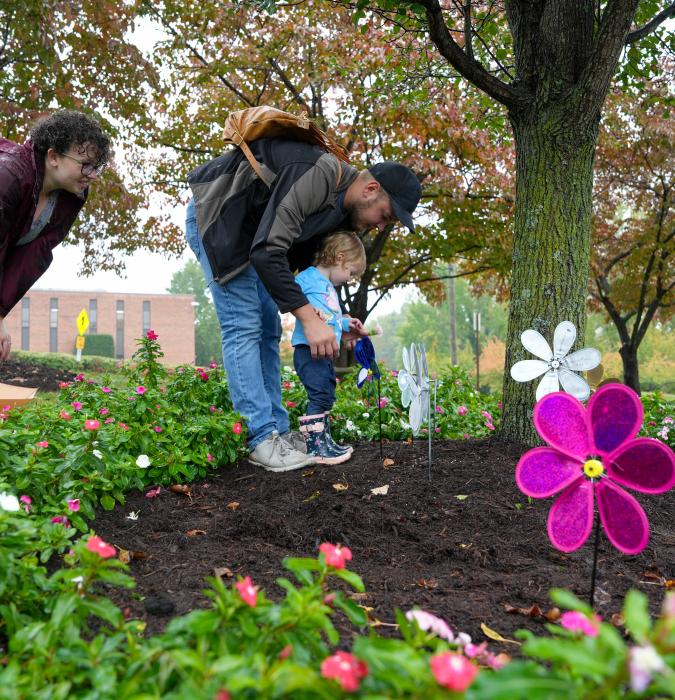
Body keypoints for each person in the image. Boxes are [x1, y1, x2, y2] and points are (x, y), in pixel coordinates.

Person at [186, 136, 421, 472]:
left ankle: (278, 432)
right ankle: (261, 437)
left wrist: (333, 324)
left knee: (268, 331)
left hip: (256, 240)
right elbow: (269, 250)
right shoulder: (320, 174)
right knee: (245, 326)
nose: (382, 225)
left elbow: (306, 276)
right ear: (370, 189)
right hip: (221, 219)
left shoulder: (339, 215)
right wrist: (310, 320)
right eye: (385, 214)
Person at [0, 110, 110, 361]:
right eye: (86, 165)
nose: (92, 175)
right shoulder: (8, 176)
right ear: (53, 156)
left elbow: (33, 256)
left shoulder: (70, 197)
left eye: (97, 167)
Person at [292, 232, 367, 465]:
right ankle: (315, 448)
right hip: (308, 350)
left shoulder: (328, 288)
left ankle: (322, 440)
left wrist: (347, 323)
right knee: (320, 395)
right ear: (339, 257)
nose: (350, 279)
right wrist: (309, 312)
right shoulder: (307, 278)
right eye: (351, 272)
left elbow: (332, 318)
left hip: (324, 353)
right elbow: (289, 295)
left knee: (326, 394)